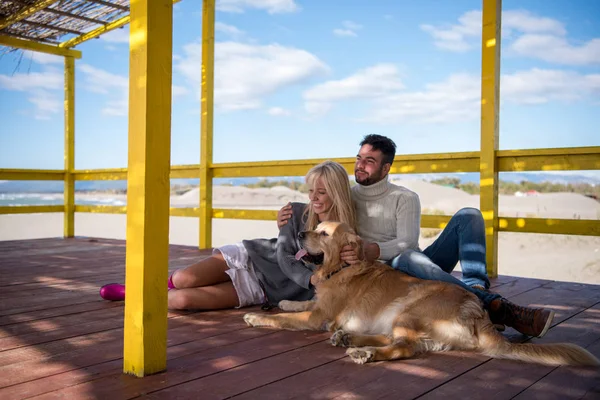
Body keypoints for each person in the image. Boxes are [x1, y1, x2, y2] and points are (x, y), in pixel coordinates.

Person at [277, 134, 555, 338]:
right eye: (359, 159)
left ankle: (478, 291)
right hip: (375, 279)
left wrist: (371, 250)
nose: (360, 166)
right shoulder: (345, 195)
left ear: (386, 169)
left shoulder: (405, 198)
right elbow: (318, 207)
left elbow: (406, 244)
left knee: (468, 216)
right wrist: (286, 215)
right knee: (409, 258)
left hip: (408, 266)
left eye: (370, 162)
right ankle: (494, 307)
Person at [99, 160, 357, 311]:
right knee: (182, 278)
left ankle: (138, 298)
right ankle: (132, 290)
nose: (313, 197)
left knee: (181, 300)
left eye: (321, 192)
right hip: (253, 258)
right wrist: (310, 278)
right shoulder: (297, 212)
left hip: (264, 290)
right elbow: (283, 255)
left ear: (336, 192)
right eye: (311, 190)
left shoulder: (344, 235)